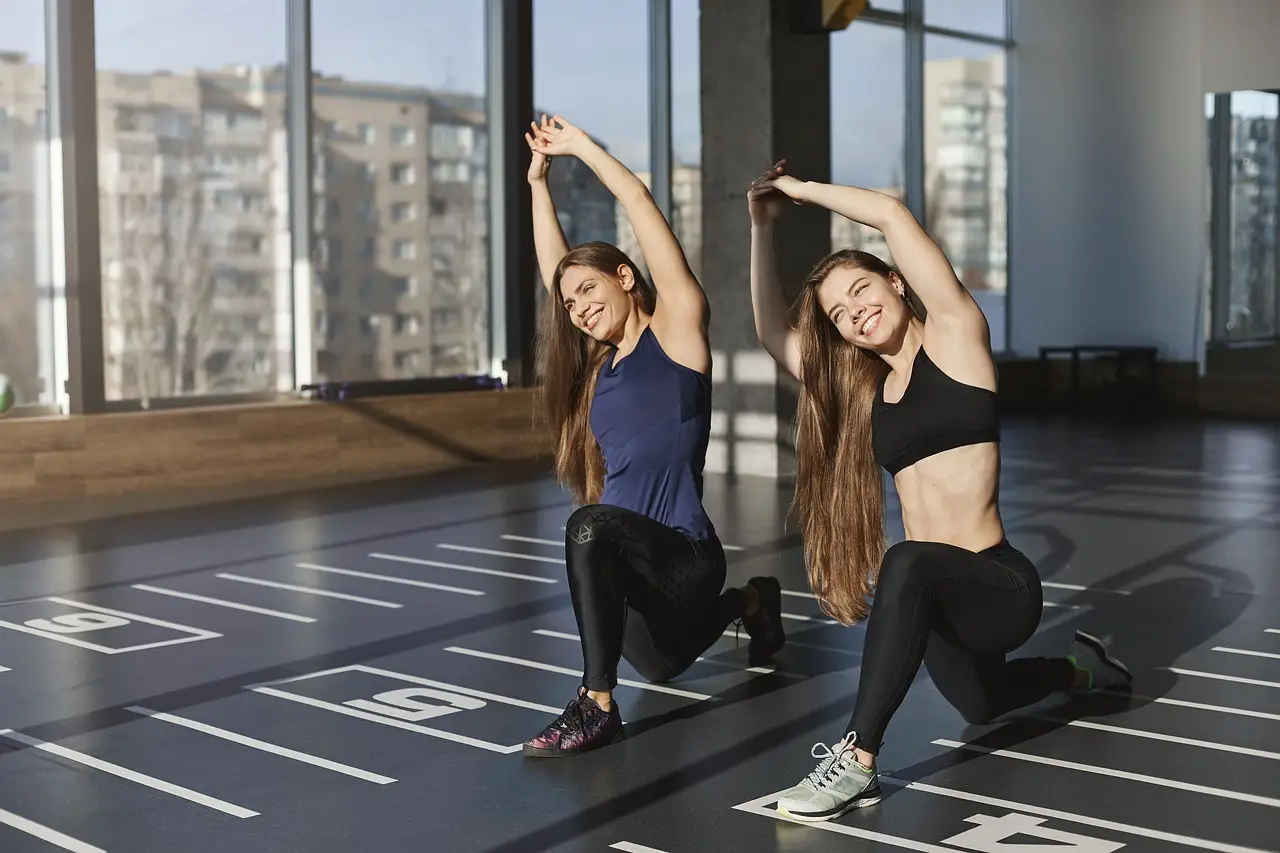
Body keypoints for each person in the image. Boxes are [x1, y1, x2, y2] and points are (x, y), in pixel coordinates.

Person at [745, 161, 1132, 820]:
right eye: (839, 313)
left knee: (907, 557)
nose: (855, 313)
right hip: (937, 598)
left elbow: (894, 217)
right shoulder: (868, 392)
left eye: (861, 291)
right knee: (983, 704)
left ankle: (857, 757)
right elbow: (771, 334)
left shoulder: (956, 338)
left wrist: (803, 192)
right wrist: (760, 229)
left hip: (997, 583)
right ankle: (1080, 667)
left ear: (896, 281)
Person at [519, 116, 786, 758]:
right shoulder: (596, 365)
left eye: (591, 290)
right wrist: (537, 183)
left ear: (627, 277)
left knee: (588, 524)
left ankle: (596, 705)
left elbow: (638, 202)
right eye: (572, 305)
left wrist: (580, 149)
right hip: (630, 565)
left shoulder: (677, 334)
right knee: (663, 667)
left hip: (686, 556)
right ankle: (754, 601)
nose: (580, 307)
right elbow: (555, 270)